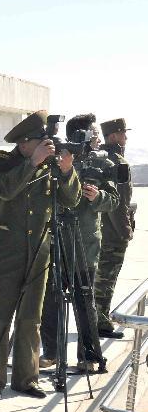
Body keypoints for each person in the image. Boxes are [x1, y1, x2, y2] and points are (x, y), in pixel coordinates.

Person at [0, 111, 81, 401]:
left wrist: (67, 171)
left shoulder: (50, 167)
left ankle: (26, 379)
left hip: (38, 253)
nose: (46, 148)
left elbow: (71, 200)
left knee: (30, 320)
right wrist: (32, 163)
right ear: (24, 143)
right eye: (40, 142)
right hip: (4, 254)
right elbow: (4, 189)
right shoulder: (2, 161)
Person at [40, 114, 118, 373]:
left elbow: (114, 200)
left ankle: (88, 356)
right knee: (50, 302)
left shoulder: (102, 162)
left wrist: (98, 196)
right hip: (55, 241)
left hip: (85, 244)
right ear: (78, 135)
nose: (97, 137)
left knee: (85, 303)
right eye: (93, 132)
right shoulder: (58, 158)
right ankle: (50, 353)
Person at [94, 118, 134, 338]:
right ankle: (100, 322)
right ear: (112, 137)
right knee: (106, 278)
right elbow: (119, 204)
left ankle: (96, 318)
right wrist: (125, 232)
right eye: (122, 133)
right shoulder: (118, 162)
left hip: (96, 231)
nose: (125, 137)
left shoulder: (96, 158)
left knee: (97, 277)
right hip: (112, 232)